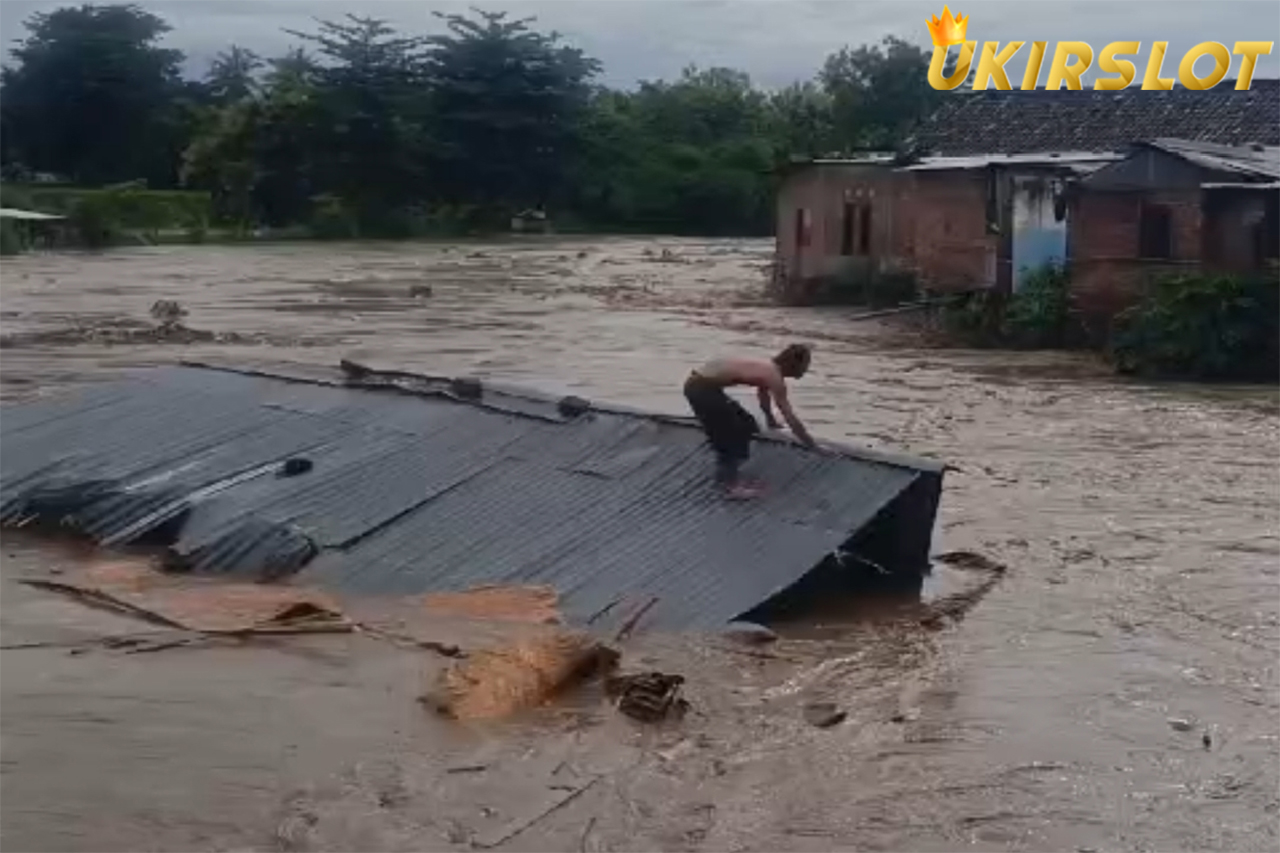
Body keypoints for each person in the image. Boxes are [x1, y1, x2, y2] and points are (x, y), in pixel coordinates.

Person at [683, 343, 817, 499]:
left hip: (703, 386)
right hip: (701, 389)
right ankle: (730, 486)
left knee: (747, 424)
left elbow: (763, 395)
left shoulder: (768, 368)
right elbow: (789, 415)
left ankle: (729, 476)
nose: (805, 370)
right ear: (794, 364)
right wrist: (811, 445)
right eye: (805, 365)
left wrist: (771, 420)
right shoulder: (774, 377)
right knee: (732, 433)